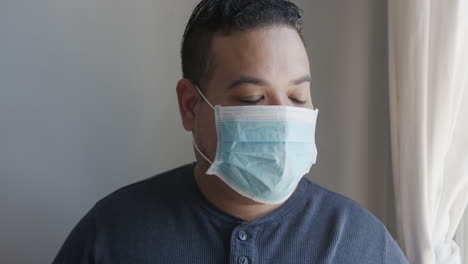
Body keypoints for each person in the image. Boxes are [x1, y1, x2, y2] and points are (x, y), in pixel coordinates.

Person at [52, 0, 409, 263]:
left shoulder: (362, 243)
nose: (283, 117)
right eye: (253, 98)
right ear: (191, 105)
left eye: (298, 96)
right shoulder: (112, 237)